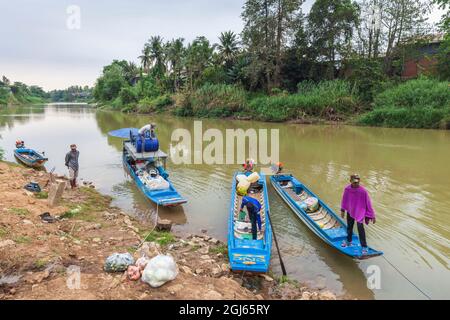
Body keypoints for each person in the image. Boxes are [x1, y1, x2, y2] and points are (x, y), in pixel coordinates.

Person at [340, 174, 376, 255]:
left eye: (357, 182)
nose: (356, 184)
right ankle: (348, 241)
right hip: (350, 210)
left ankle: (364, 246)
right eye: (354, 182)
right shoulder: (347, 189)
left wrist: (372, 215)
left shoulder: (363, 191)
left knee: (360, 228)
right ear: (350, 181)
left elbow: (368, 203)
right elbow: (344, 200)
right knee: (349, 226)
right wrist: (342, 210)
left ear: (359, 181)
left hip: (360, 211)